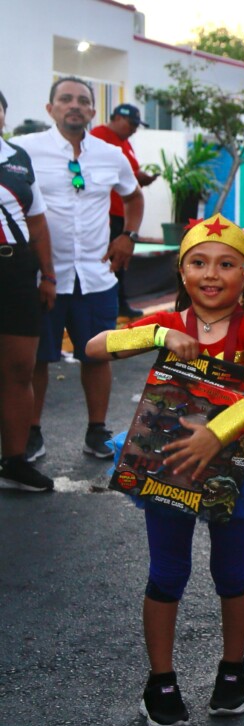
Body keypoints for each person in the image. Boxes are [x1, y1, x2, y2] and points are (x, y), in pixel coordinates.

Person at [84, 214, 244, 726]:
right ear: (182, 272)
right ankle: (160, 680)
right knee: (167, 572)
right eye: (198, 262)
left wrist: (217, 433)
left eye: (226, 264)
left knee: (232, 572)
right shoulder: (168, 321)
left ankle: (233, 670)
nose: (211, 274)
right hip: (168, 462)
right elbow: (93, 347)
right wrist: (158, 333)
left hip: (236, 464)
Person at [12, 77, 144, 464]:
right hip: (42, 277)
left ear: (92, 111)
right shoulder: (25, 150)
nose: (75, 105)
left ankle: (96, 431)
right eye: (65, 98)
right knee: (37, 359)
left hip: (96, 276)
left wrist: (129, 236)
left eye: (83, 100)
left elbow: (134, 197)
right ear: (49, 108)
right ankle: (31, 432)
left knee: (97, 355)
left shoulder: (110, 155)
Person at [0, 89, 56, 492]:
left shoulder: (18, 160)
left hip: (17, 271)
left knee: (20, 368)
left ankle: (14, 462)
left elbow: (36, 223)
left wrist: (48, 276)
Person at [89, 103, 158, 320]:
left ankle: (119, 304)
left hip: (123, 212)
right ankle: (111, 304)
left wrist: (142, 178)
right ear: (117, 118)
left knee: (120, 260)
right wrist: (137, 177)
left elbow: (127, 175)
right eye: (131, 124)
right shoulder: (99, 136)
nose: (134, 129)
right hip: (107, 213)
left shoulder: (125, 143)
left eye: (137, 125)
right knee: (109, 260)